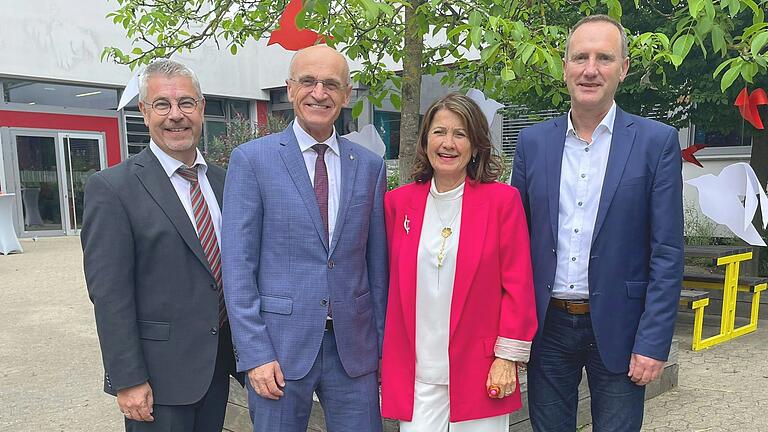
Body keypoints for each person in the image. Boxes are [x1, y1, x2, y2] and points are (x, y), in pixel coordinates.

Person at [511, 14, 684, 431]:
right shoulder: (533, 143)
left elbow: (666, 251)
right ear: (565, 66)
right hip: (547, 326)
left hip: (622, 327)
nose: (590, 69)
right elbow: (514, 243)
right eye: (580, 57)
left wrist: (653, 342)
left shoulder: (655, 142)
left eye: (604, 58)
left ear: (623, 69)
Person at [221, 45, 388, 432]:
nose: (319, 92)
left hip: (354, 351)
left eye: (331, 84)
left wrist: (380, 348)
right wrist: (254, 353)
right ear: (290, 88)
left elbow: (377, 268)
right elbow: (238, 267)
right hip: (278, 350)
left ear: (346, 95)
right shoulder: (252, 160)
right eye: (309, 81)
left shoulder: (369, 166)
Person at [81, 58, 242, 431]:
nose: (176, 116)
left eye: (186, 103)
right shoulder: (113, 189)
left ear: (201, 109)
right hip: (157, 381)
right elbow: (109, 294)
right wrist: (128, 379)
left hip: (217, 369)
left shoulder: (226, 182)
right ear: (144, 111)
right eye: (162, 104)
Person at [381, 93, 538, 431]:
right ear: (425, 140)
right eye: (439, 132)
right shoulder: (398, 204)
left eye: (460, 134)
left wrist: (507, 357)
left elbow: (519, 285)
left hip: (479, 368)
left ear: (476, 144)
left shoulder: (502, 202)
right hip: (418, 371)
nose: (448, 143)